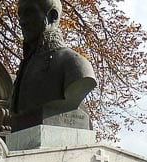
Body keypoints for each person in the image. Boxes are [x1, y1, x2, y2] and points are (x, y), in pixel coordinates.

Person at [11, 0, 97, 130]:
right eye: (20, 15)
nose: (22, 22)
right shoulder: (25, 68)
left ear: (52, 16)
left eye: (29, 12)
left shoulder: (75, 64)